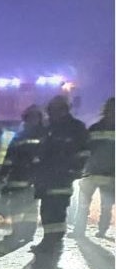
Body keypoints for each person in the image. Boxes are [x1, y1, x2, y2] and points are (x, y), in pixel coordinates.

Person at [31, 95, 90, 255]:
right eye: (50, 110)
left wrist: (75, 170)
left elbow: (83, 152)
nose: (51, 113)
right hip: (46, 177)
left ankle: (54, 242)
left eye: (54, 110)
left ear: (63, 109)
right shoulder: (48, 128)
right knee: (46, 210)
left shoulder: (76, 127)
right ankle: (49, 240)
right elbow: (40, 152)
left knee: (57, 210)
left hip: (63, 177)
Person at [0, 105, 46, 245]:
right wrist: (3, 173)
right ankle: (18, 233)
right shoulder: (19, 136)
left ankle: (28, 233)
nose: (32, 120)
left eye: (35, 117)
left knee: (31, 208)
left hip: (32, 177)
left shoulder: (43, 135)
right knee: (18, 207)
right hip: (19, 176)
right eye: (30, 117)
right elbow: (9, 157)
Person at [72, 97, 113, 238]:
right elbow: (84, 149)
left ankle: (102, 230)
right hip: (91, 172)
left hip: (109, 174)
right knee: (83, 204)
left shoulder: (95, 128)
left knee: (106, 206)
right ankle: (79, 231)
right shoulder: (94, 128)